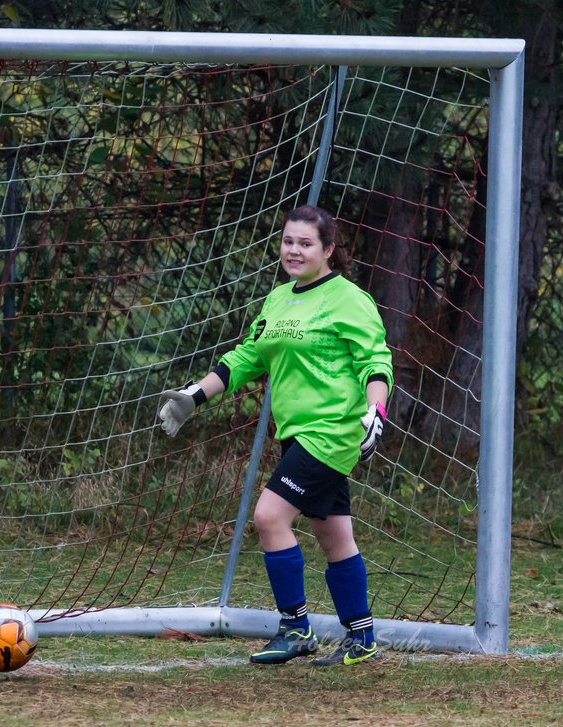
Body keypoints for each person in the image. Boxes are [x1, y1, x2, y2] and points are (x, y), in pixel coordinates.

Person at [157, 205, 392, 666]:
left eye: (306, 243)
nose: (295, 250)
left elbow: (375, 362)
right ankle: (362, 638)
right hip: (297, 435)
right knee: (334, 535)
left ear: (328, 250)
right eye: (289, 241)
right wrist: (193, 397)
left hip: (332, 433)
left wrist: (375, 411)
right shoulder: (279, 298)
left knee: (269, 517)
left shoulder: (348, 299)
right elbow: (248, 357)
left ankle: (296, 627)